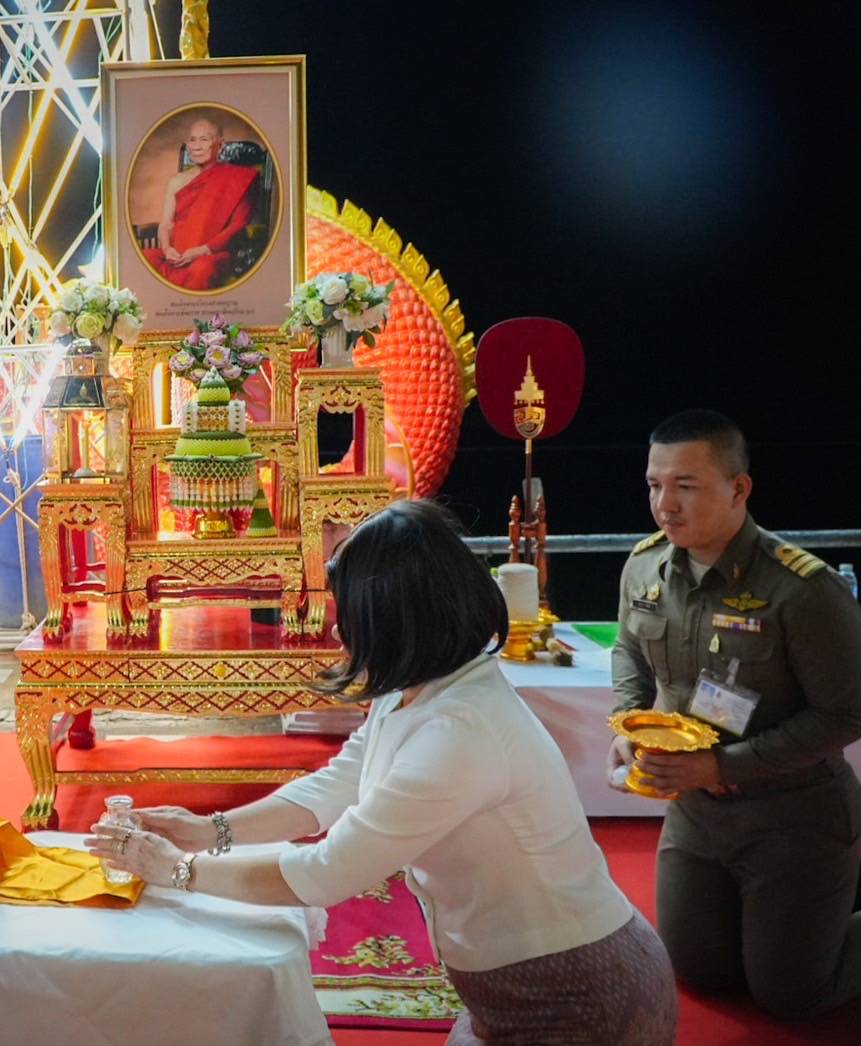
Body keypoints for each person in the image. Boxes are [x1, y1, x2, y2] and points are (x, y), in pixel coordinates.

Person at [91, 499, 676, 1044]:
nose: (338, 631)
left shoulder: (461, 731)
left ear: (398, 621)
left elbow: (327, 871)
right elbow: (339, 782)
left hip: (579, 994)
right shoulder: (417, 687)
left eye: (349, 614)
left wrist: (178, 870)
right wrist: (210, 830)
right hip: (513, 985)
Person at [608, 409, 861, 1017]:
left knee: (793, 996)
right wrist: (628, 718)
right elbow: (628, 650)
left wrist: (721, 766)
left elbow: (847, 714)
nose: (665, 505)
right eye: (654, 485)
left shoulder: (802, 589)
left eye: (686, 486)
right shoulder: (645, 567)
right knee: (700, 973)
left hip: (793, 818)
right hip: (698, 818)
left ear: (738, 488)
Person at [139, 116, 258, 291]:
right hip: (177, 252)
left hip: (213, 253)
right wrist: (166, 248)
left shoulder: (237, 178)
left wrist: (202, 250)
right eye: (193, 140)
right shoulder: (177, 182)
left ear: (220, 144)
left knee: (202, 269)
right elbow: (166, 224)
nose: (197, 146)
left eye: (204, 139)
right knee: (146, 258)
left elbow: (238, 225)